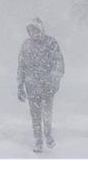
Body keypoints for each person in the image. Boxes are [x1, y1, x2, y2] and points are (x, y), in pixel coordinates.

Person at [16, 18, 64, 153]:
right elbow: (21, 66)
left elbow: (58, 63)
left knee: (47, 112)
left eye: (35, 29)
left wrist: (54, 81)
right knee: (35, 115)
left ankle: (48, 135)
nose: (33, 32)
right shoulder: (26, 45)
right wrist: (20, 85)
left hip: (47, 86)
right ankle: (38, 140)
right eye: (30, 30)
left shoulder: (51, 43)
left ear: (41, 29)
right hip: (31, 86)